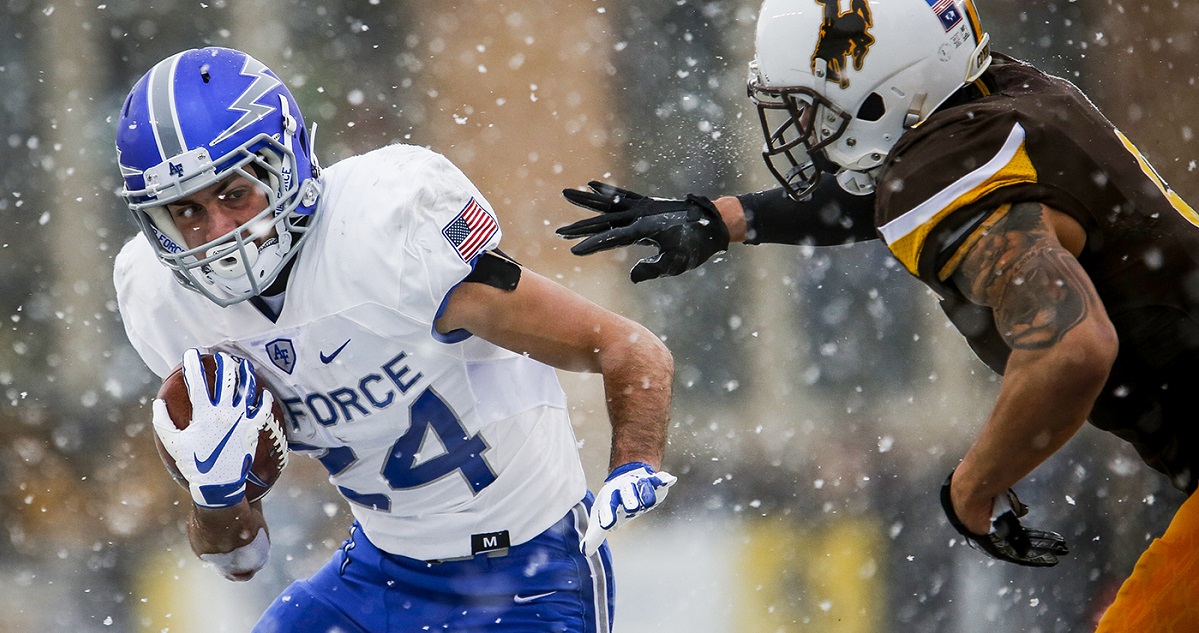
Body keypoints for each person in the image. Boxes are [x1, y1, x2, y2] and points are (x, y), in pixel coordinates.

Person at [558, 0, 1199, 628]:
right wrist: (723, 219)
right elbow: (900, 187)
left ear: (884, 92)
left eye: (811, 107)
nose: (803, 132)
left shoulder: (951, 173)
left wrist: (970, 493)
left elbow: (1071, 345)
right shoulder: (1004, 93)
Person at [113, 46, 678, 633]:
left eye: (234, 193)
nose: (219, 232)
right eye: (186, 211)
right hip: (379, 578)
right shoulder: (166, 302)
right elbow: (239, 558)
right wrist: (217, 495)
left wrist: (633, 463)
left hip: (529, 578)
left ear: (287, 164)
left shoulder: (388, 235)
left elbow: (629, 347)